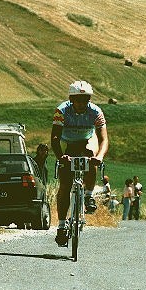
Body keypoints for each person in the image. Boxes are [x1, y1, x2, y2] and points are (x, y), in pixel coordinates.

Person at [51, 80, 109, 246]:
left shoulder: (96, 111)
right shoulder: (61, 111)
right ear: (71, 99)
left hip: (87, 140)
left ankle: (89, 196)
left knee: (91, 157)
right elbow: (55, 139)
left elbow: (104, 139)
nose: (82, 103)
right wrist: (60, 156)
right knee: (65, 185)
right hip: (67, 143)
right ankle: (61, 226)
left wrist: (100, 156)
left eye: (86, 100)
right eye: (78, 100)